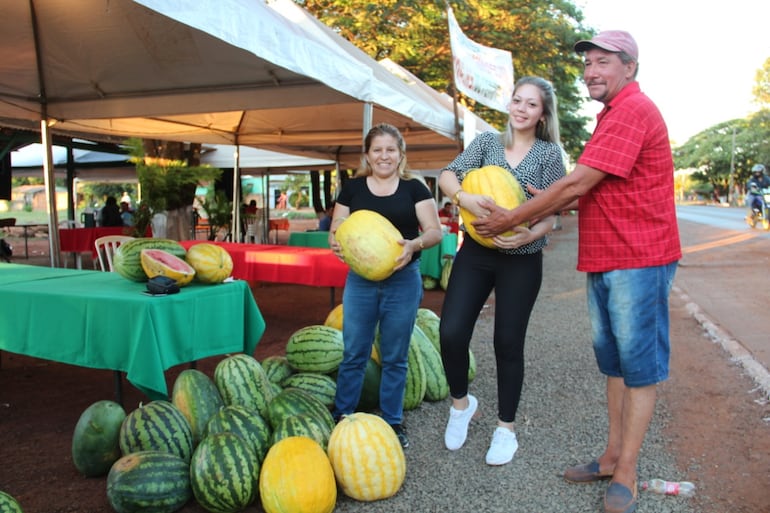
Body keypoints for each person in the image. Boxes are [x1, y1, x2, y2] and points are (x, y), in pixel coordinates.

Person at [473, 31, 681, 513]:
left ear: (629, 67)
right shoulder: (610, 116)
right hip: (610, 256)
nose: (590, 71)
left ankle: (627, 470)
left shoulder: (632, 110)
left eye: (602, 62)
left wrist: (512, 217)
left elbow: (578, 184)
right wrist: (531, 208)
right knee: (613, 363)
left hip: (640, 259)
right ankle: (612, 456)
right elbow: (580, 190)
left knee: (639, 368)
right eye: (587, 62)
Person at [437, 76, 566, 466]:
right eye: (517, 100)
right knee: (451, 331)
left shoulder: (548, 155)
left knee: (507, 342)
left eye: (531, 104)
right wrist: (462, 196)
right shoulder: (486, 143)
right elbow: (447, 175)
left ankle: (505, 428)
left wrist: (531, 230)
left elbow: (553, 214)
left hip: (522, 256)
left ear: (543, 115)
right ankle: (461, 404)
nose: (521, 109)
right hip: (477, 252)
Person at [328, 123, 443, 448]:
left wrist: (413, 245)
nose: (384, 156)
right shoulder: (352, 188)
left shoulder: (414, 189)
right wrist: (334, 239)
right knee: (354, 352)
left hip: (403, 280)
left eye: (390, 149)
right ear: (367, 154)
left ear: (400, 154)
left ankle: (392, 421)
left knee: (395, 355)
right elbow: (338, 226)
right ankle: (343, 415)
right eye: (377, 149)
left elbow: (435, 231)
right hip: (361, 282)